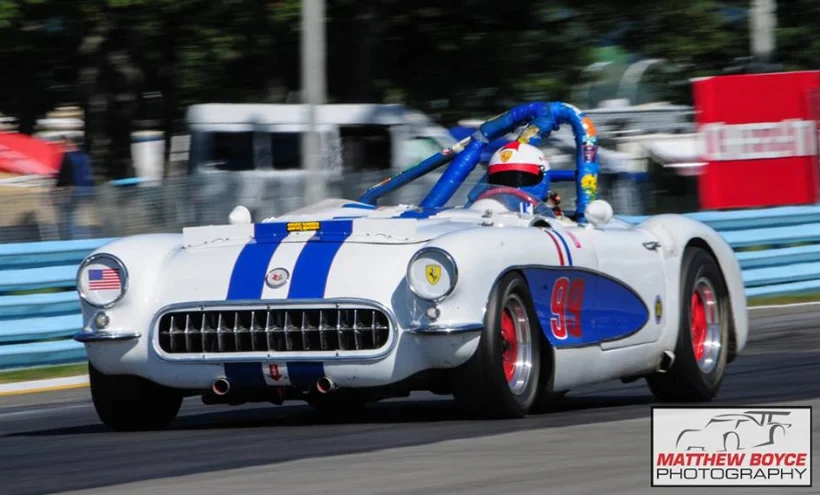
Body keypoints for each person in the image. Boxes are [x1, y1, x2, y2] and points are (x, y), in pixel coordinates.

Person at [486, 141, 564, 217]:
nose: (510, 189)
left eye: (520, 178)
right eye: (500, 180)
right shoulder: (485, 212)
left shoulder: (553, 220)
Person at [54, 134, 94, 239]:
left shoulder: (67, 157)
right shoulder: (85, 156)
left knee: (69, 216)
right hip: (88, 189)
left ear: (72, 143)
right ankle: (84, 237)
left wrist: (59, 189)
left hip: (73, 190)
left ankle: (71, 238)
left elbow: (65, 176)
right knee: (82, 216)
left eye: (67, 142)